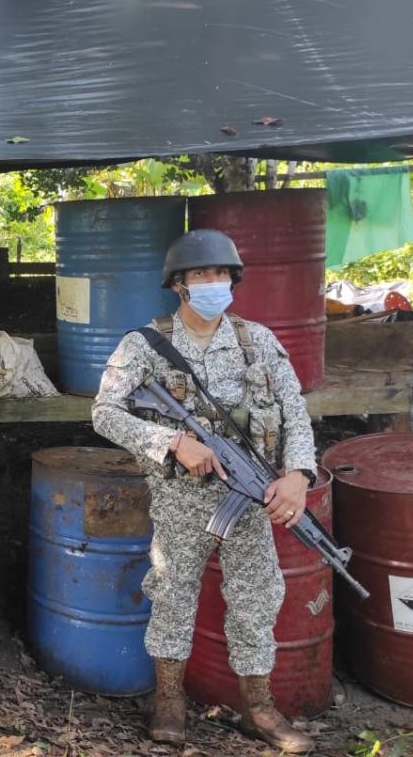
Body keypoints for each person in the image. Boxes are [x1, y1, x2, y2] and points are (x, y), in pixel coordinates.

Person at [91, 229, 316, 753]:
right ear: (178, 285)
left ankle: (259, 707)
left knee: (257, 599)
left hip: (253, 495)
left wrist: (298, 475)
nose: (213, 283)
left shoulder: (256, 339)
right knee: (171, 593)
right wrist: (170, 441)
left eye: (221, 274)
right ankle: (169, 700)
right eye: (200, 275)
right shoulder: (145, 345)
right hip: (181, 498)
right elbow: (103, 412)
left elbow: (295, 412)